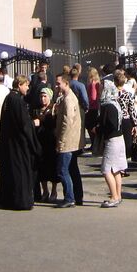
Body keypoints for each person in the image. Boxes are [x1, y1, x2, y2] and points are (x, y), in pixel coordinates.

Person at [0, 75, 41, 210]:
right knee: (19, 173)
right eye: (26, 85)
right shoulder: (16, 100)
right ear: (19, 85)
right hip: (17, 145)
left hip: (10, 143)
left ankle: (7, 199)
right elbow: (23, 124)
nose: (27, 88)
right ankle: (19, 201)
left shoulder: (10, 98)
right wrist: (34, 123)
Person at [54, 74, 85, 208]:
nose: (56, 86)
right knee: (73, 169)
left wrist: (61, 140)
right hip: (73, 140)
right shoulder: (69, 97)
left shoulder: (68, 100)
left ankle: (69, 197)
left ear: (66, 83)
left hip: (68, 140)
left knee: (63, 170)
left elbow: (67, 122)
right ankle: (78, 196)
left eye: (58, 83)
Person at [97, 81, 127, 207]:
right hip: (120, 139)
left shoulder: (107, 105)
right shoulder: (115, 103)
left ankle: (114, 196)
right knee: (116, 169)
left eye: (102, 87)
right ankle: (118, 195)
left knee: (106, 169)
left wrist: (98, 129)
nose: (100, 89)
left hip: (112, 140)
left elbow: (111, 125)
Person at [34, 87, 59, 202]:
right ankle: (45, 191)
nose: (43, 99)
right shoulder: (37, 109)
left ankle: (54, 190)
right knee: (42, 168)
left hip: (51, 141)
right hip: (40, 142)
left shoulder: (54, 108)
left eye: (45, 96)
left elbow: (55, 123)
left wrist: (42, 120)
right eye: (41, 96)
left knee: (53, 167)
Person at [85, 67, 102, 144]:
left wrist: (87, 105)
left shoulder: (92, 84)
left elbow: (93, 97)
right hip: (96, 107)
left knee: (89, 126)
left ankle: (93, 143)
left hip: (92, 107)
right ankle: (94, 144)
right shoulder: (98, 83)